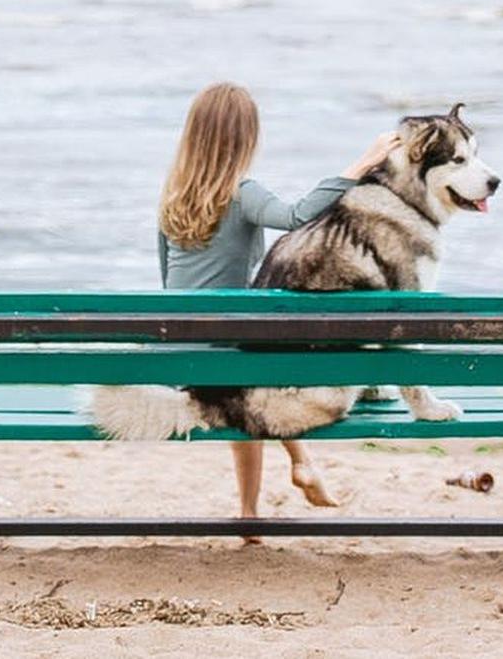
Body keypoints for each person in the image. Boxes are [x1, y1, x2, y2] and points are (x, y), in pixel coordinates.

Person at [157, 82, 400, 539]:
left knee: (251, 366)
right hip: (226, 361)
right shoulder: (242, 191)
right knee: (263, 368)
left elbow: (167, 277)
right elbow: (296, 216)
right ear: (246, 138)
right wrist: (361, 164)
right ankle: (273, 490)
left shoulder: (172, 196)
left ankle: (281, 484)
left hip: (179, 357)